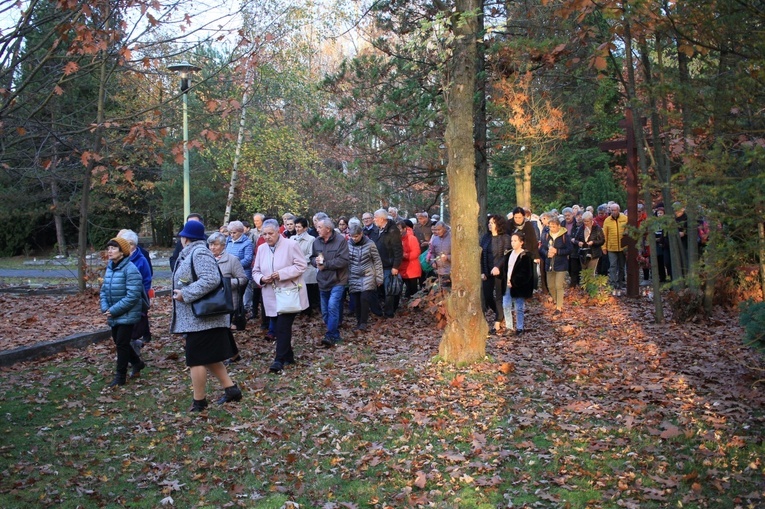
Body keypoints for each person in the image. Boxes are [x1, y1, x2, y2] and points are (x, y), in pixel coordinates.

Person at [171, 221, 242, 412]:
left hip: (202, 318)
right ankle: (231, 390)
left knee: (196, 360)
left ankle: (199, 401)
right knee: (209, 357)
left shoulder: (199, 253)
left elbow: (211, 279)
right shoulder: (190, 253)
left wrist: (185, 293)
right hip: (199, 318)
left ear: (185, 238)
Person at [252, 219, 308, 372]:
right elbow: (255, 271)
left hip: (289, 292)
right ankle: (288, 357)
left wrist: (281, 274)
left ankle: (279, 359)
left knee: (283, 326)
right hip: (270, 294)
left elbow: (301, 265)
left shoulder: (291, 245)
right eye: (264, 234)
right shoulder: (262, 248)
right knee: (278, 326)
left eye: (270, 233)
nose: (267, 237)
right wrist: (262, 279)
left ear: (278, 232)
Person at [100, 237, 146, 387]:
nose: (110, 251)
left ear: (123, 252)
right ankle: (137, 363)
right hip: (113, 313)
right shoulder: (110, 267)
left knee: (121, 343)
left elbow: (133, 296)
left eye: (113, 248)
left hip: (127, 313)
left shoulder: (131, 269)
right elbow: (104, 290)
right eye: (109, 248)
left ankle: (120, 376)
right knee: (120, 342)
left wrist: (113, 310)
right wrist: (105, 307)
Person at [311, 217, 350, 346]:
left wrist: (326, 265)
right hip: (323, 280)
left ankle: (330, 335)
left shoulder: (340, 241)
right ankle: (334, 333)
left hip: (338, 279)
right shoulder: (316, 242)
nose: (317, 229)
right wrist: (315, 262)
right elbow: (312, 258)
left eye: (319, 227)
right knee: (325, 311)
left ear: (328, 229)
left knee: (333, 306)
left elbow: (343, 260)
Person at [117, 229, 152, 349]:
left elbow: (147, 280)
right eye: (126, 243)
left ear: (135, 245)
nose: (128, 246)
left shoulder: (141, 260)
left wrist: (141, 297)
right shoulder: (118, 258)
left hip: (135, 298)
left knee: (132, 330)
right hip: (119, 297)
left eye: (131, 244)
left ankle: (133, 355)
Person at [208, 231, 248, 337]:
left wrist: (226, 283)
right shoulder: (206, 259)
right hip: (209, 301)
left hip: (227, 302)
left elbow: (243, 279)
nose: (212, 248)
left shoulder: (232, 260)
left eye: (215, 245)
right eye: (210, 244)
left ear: (223, 245)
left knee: (223, 332)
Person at [347, 223, 384, 331]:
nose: (354, 239)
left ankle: (363, 322)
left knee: (364, 298)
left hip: (368, 274)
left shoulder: (370, 244)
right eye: (352, 237)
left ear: (361, 234)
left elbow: (377, 260)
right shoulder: (348, 244)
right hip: (353, 275)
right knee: (356, 300)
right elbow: (346, 261)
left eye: (356, 236)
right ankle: (358, 321)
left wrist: (379, 277)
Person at [481, 214, 512, 334]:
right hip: (487, 271)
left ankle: (497, 322)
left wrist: (497, 267)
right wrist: (483, 271)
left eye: (492, 223)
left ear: (498, 224)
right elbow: (482, 256)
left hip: (501, 272)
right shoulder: (485, 238)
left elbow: (506, 255)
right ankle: (500, 313)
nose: (490, 224)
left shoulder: (505, 238)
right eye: (489, 222)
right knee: (488, 296)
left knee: (499, 296)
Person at [370, 208, 404, 317]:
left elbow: (398, 250)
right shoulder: (376, 230)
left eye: (375, 217)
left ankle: (389, 312)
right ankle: (378, 311)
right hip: (376, 265)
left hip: (389, 266)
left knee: (389, 291)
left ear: (381, 219)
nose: (373, 220)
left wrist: (395, 266)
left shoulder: (393, 231)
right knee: (375, 291)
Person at [504, 232, 535, 334]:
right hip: (507, 283)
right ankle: (509, 327)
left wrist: (515, 281)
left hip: (519, 285)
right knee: (506, 305)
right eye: (512, 241)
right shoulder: (509, 254)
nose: (513, 243)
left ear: (521, 242)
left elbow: (526, 273)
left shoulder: (525, 255)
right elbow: (506, 268)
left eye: (515, 241)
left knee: (519, 307)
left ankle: (520, 327)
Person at [539, 216, 571, 314]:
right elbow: (542, 248)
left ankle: (559, 307)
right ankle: (557, 300)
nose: (551, 228)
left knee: (558, 285)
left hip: (560, 263)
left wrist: (557, 251)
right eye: (550, 226)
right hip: (549, 263)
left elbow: (569, 249)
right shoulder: (546, 235)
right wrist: (546, 253)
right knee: (551, 285)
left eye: (553, 226)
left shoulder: (565, 236)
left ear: (558, 226)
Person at [292, 217, 319, 316]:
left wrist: (300, 261)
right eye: (296, 227)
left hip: (307, 269)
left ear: (305, 228)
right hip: (295, 269)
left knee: (308, 292)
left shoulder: (311, 239)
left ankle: (308, 312)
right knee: (297, 291)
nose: (297, 229)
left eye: (299, 227)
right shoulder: (292, 239)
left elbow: (311, 254)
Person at [603, 202, 628, 294]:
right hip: (611, 247)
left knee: (622, 266)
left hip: (622, 247)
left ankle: (620, 281)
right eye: (612, 210)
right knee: (613, 266)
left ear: (619, 210)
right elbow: (604, 235)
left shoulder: (625, 219)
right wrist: (604, 247)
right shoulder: (607, 220)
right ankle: (613, 283)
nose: (613, 212)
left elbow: (628, 230)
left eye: (615, 210)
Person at [573, 211, 605, 277]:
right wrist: (578, 242)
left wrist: (593, 242)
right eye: (584, 221)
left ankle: (590, 287)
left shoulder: (597, 228)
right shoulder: (581, 228)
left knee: (591, 272)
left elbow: (602, 241)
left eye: (587, 221)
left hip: (594, 252)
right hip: (583, 253)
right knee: (584, 272)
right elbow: (575, 239)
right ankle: (584, 286)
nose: (585, 223)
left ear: (591, 220)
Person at [398, 219, 422, 299]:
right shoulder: (397, 239)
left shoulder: (411, 238)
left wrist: (405, 255)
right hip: (401, 268)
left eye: (399, 229)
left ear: (404, 229)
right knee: (402, 290)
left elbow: (416, 252)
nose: (398, 232)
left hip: (412, 268)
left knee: (413, 291)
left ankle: (415, 307)